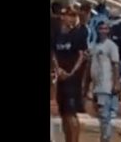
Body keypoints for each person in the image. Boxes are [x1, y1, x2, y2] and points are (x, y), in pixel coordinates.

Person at [52, 7, 88, 142]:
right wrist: (57, 69)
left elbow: (81, 56)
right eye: (68, 15)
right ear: (62, 17)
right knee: (64, 113)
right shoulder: (57, 34)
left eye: (73, 15)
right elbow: (53, 54)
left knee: (71, 114)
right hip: (60, 78)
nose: (71, 18)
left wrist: (71, 72)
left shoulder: (78, 34)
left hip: (72, 79)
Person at [90, 21, 120, 142]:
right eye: (101, 28)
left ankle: (106, 138)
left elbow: (116, 65)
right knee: (100, 114)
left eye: (105, 29)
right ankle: (104, 137)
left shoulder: (111, 46)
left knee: (104, 115)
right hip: (97, 85)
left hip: (106, 84)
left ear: (108, 31)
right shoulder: (95, 46)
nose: (103, 31)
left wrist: (116, 82)